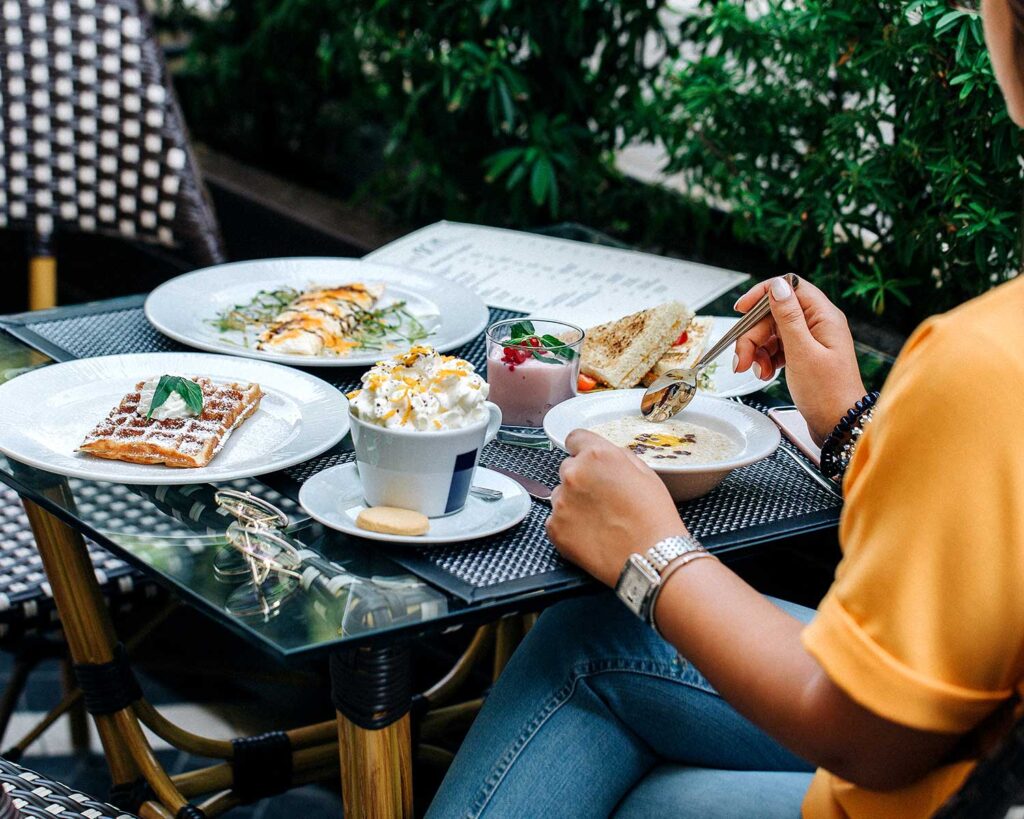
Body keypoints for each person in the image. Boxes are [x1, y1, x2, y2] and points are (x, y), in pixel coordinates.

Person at [426, 2, 1024, 816]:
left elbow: (869, 735)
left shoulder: (986, 361)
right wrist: (850, 421)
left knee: (590, 641)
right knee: (648, 795)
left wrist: (652, 554)